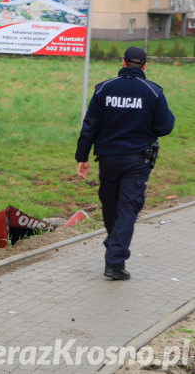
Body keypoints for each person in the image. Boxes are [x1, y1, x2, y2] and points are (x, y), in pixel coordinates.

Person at [75, 46, 175, 280]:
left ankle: (115, 253)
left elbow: (89, 126)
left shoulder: (104, 89)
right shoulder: (153, 92)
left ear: (122, 63)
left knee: (110, 205)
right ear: (145, 66)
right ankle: (115, 260)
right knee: (127, 208)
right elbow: (165, 126)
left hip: (108, 159)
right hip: (137, 160)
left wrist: (82, 157)